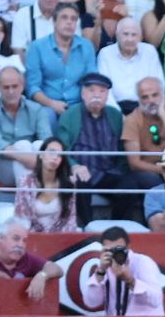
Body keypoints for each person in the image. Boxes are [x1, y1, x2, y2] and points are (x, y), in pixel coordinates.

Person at [57, 71, 135, 220]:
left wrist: (121, 168)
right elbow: (62, 147)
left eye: (102, 91)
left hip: (109, 172)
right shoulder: (69, 115)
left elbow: (121, 146)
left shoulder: (115, 115)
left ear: (107, 96)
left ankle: (117, 226)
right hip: (83, 170)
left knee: (129, 185)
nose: (96, 95)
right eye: (91, 90)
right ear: (83, 94)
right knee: (79, 182)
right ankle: (87, 227)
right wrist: (74, 165)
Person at [0, 64, 54, 186]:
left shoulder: (37, 109)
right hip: (1, 163)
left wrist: (35, 159)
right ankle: (37, 199)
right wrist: (26, 157)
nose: (11, 92)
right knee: (23, 145)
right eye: (6, 87)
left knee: (39, 145)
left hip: (34, 160)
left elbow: (47, 142)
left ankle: (28, 199)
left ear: (22, 86)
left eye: (15, 86)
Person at [0, 218, 63, 300]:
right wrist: (2, 276)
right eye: (16, 239)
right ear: (1, 238)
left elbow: (57, 269)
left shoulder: (26, 258)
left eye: (24, 240)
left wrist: (42, 275)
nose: (20, 245)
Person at [25, 0, 91, 118]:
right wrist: (52, 104)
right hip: (47, 105)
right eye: (64, 18)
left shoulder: (86, 47)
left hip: (78, 105)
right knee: (47, 115)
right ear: (54, 21)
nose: (69, 22)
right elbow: (33, 87)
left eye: (73, 19)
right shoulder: (37, 47)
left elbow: (91, 81)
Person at [83, 223, 165, 316]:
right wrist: (100, 272)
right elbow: (91, 303)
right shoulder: (104, 267)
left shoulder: (143, 263)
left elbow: (155, 301)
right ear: (103, 250)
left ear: (128, 247)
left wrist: (131, 281)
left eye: (119, 249)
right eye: (110, 250)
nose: (115, 254)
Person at [122, 72, 165, 177]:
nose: (151, 100)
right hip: (148, 169)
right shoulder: (132, 120)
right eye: (145, 97)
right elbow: (134, 163)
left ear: (163, 95)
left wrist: (162, 113)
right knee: (149, 178)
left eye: (155, 95)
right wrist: (164, 170)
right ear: (139, 100)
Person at [13, 134, 81, 230]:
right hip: (32, 238)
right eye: (51, 152)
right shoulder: (26, 182)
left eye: (59, 155)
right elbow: (21, 220)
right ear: (41, 154)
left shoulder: (68, 183)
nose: (55, 158)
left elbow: (70, 220)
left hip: (60, 238)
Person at [97, 19, 162, 110]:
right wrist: (117, 115)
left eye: (134, 35)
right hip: (115, 108)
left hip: (145, 108)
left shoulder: (149, 51)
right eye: (125, 34)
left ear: (141, 37)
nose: (130, 39)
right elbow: (104, 88)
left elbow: (158, 84)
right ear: (117, 35)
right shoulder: (105, 54)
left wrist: (144, 113)